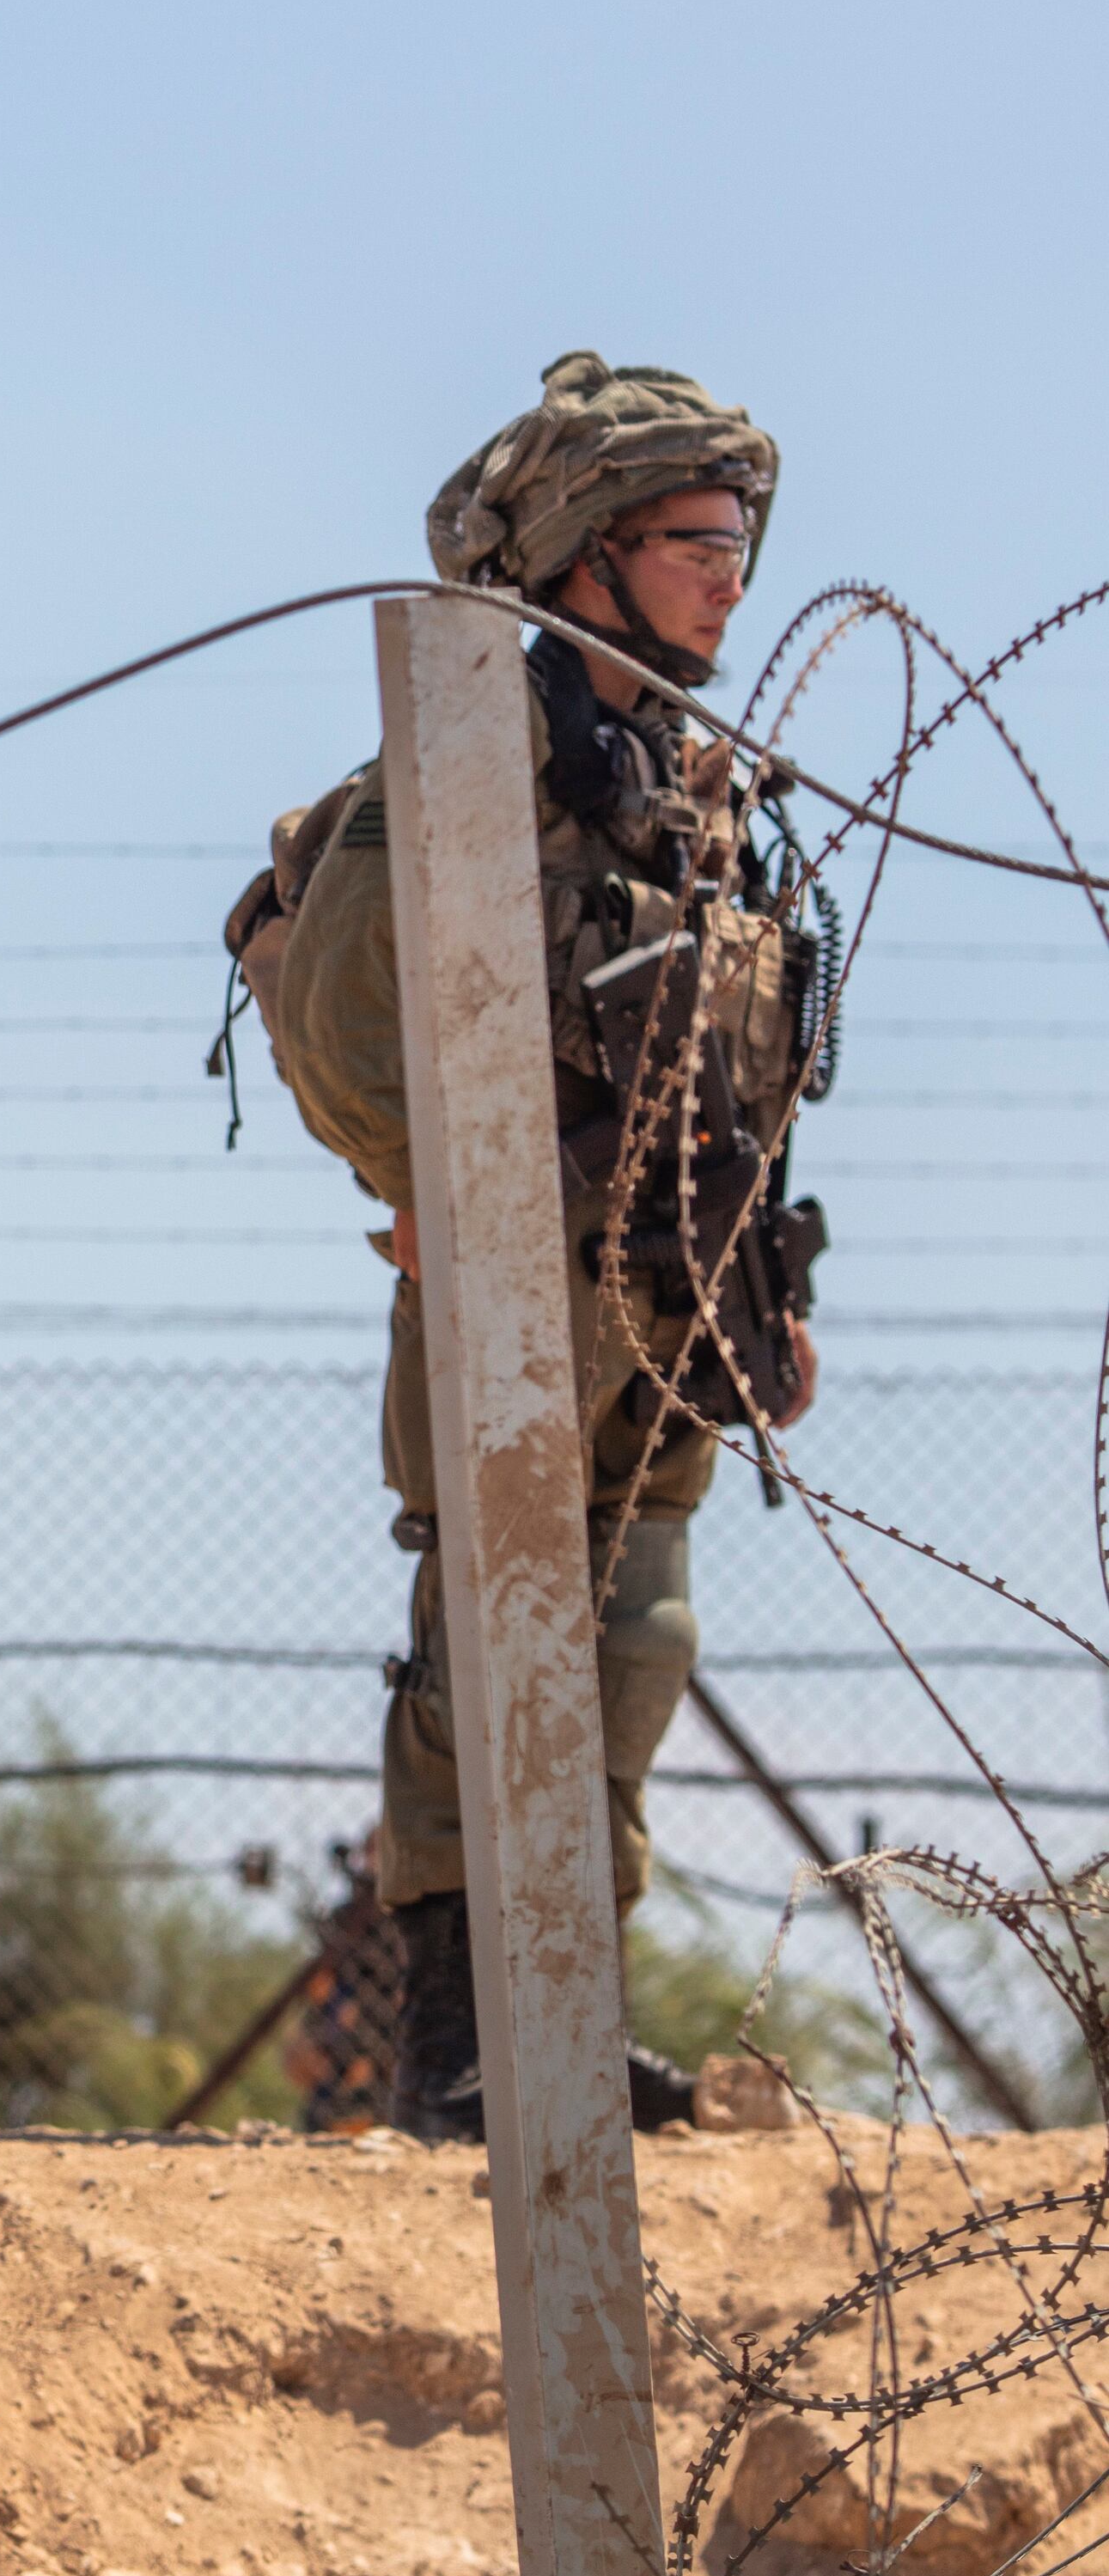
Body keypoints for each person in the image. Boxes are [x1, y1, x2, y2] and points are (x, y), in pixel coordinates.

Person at [266, 351, 831, 2142]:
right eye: (693, 540)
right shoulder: (467, 741)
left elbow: (748, 1049)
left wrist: (773, 1290)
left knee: (633, 1634)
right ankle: (453, 2026)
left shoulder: (692, 779)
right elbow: (341, 1006)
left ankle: (569, 2003)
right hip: (513, 1263)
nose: (730, 574)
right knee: (488, 1634)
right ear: (586, 547)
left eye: (739, 540)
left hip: (672, 1277)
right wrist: (426, 1191)